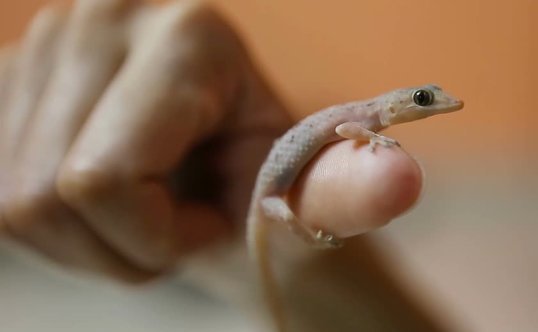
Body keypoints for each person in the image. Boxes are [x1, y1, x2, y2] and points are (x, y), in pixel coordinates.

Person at [0, 0, 423, 283]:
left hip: (270, 194)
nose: (432, 106)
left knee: (277, 230)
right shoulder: (363, 118)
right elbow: (346, 132)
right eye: (423, 100)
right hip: (270, 191)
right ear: (397, 104)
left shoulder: (368, 118)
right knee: (277, 221)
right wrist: (370, 141)